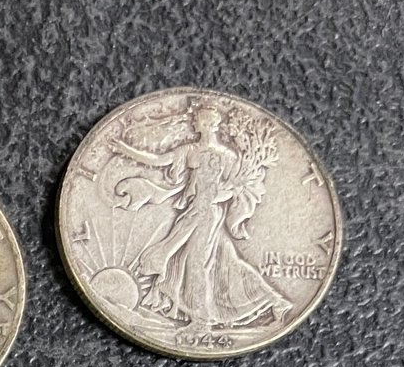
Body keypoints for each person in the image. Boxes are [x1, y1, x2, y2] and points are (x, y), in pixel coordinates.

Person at [112, 107, 289, 331]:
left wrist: (214, 197)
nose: (195, 124)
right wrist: (127, 150)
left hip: (208, 215)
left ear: (208, 125)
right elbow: (159, 160)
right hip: (196, 211)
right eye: (196, 120)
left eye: (198, 120)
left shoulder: (227, 156)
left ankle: (201, 321)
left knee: (196, 264)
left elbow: (235, 188)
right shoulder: (190, 150)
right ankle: (276, 302)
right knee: (226, 263)